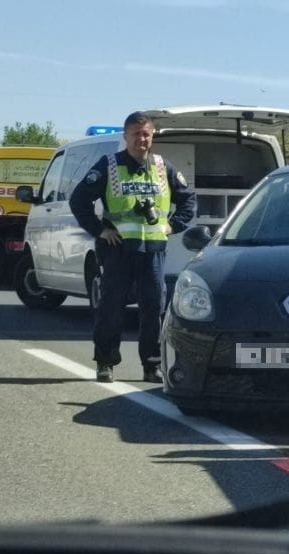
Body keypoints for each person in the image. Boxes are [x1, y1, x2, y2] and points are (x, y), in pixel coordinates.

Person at [69, 111, 197, 383]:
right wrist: (100, 230)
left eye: (146, 134)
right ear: (126, 136)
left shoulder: (162, 167)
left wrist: (173, 225)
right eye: (136, 134)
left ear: (153, 136)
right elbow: (79, 200)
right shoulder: (109, 165)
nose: (142, 139)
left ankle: (152, 366)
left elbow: (188, 199)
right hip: (118, 251)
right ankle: (105, 362)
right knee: (111, 307)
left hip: (152, 251)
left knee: (154, 309)